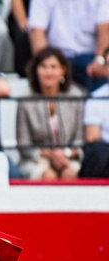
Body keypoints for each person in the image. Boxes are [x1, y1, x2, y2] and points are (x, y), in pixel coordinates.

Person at [16, 47, 84, 180]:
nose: (48, 72)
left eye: (53, 67)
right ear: (36, 71)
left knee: (69, 174)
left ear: (62, 70)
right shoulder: (26, 100)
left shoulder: (75, 96)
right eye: (43, 66)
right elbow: (24, 145)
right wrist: (50, 154)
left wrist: (65, 153)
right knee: (48, 176)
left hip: (69, 157)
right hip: (36, 159)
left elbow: (80, 139)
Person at [28, 0, 109, 92]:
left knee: (103, 75)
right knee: (47, 71)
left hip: (89, 59)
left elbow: (105, 29)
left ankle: (95, 106)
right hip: (55, 57)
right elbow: (37, 31)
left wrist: (100, 60)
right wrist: (46, 64)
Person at [82, 48, 109, 178]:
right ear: (104, 69)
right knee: (98, 152)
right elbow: (92, 137)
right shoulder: (95, 98)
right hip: (105, 156)